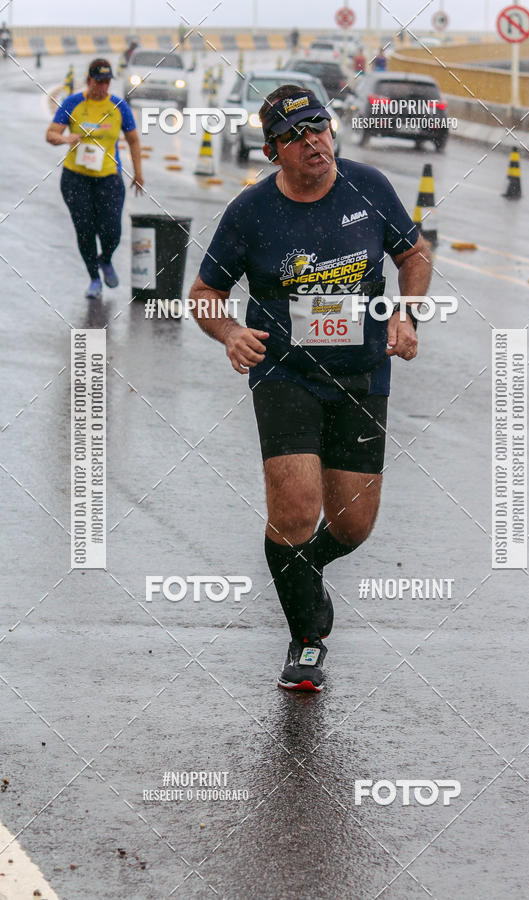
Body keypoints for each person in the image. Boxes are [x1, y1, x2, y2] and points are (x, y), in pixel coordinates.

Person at [189, 85, 432, 692]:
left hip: (363, 371)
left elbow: (415, 255)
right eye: (296, 136)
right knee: (296, 508)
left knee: (353, 526)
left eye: (318, 128)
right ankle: (307, 638)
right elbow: (204, 295)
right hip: (285, 373)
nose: (313, 142)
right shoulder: (250, 213)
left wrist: (407, 314)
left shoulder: (368, 187)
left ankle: (301, 566)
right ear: (273, 151)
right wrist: (227, 333)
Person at [46, 59, 144, 300]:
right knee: (85, 229)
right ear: (88, 80)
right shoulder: (73, 103)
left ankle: (106, 259)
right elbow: (51, 133)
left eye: (107, 82)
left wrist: (138, 173)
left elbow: (133, 140)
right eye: (98, 82)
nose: (102, 87)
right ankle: (94, 278)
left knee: (112, 230)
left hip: (108, 177)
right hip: (75, 178)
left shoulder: (119, 106)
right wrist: (65, 139)